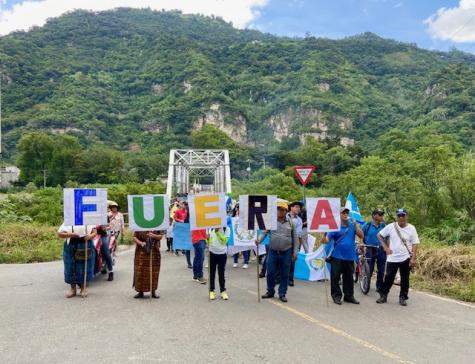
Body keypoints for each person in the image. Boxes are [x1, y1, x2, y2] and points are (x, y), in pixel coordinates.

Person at [376, 208, 419, 306]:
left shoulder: (412, 228)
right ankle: (383, 295)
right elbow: (379, 235)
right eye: (399, 216)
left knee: (405, 279)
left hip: (406, 257)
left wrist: (413, 258)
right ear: (397, 217)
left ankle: (403, 297)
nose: (401, 218)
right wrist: (386, 247)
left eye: (403, 215)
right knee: (388, 277)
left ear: (406, 216)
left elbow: (415, 243)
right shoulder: (391, 226)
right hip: (392, 257)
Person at [258, 199, 299, 303]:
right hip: (273, 252)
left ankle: (282, 293)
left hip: (286, 252)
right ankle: (270, 291)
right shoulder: (271, 221)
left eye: (282, 209)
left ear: (286, 211)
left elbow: (295, 238)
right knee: (270, 272)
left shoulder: (291, 222)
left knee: (285, 274)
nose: (280, 211)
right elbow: (264, 233)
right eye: (278, 209)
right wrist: (258, 240)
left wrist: (295, 252)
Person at [323, 207, 364, 305]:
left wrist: (356, 225)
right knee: (335, 278)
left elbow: (361, 235)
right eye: (343, 213)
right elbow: (328, 239)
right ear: (339, 215)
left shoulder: (352, 225)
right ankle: (336, 296)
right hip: (337, 256)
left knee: (349, 278)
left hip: (350, 257)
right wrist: (324, 238)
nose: (346, 215)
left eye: (347, 213)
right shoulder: (335, 226)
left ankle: (349, 296)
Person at [57, 224, 97, 298]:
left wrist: (90, 236)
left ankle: (83, 288)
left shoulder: (86, 218)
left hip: (85, 243)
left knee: (83, 266)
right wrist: (71, 234)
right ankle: (73, 289)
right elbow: (59, 233)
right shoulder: (68, 220)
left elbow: (95, 232)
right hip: (70, 245)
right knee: (70, 267)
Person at [361, 208, 386, 293]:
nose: (381, 216)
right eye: (379, 214)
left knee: (381, 270)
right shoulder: (367, 225)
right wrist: (361, 245)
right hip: (369, 249)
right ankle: (366, 284)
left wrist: (388, 248)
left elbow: (387, 237)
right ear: (374, 215)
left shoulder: (383, 226)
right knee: (369, 268)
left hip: (381, 250)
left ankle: (379, 287)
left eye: (382, 214)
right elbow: (361, 235)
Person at [133, 230, 163, 299]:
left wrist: (153, 236)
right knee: (140, 271)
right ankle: (140, 292)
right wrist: (141, 243)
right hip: (141, 252)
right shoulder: (139, 224)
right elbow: (134, 237)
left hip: (154, 251)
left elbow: (160, 236)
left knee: (154, 271)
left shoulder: (157, 224)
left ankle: (153, 291)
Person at [208, 228, 229, 300]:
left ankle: (223, 291)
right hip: (212, 253)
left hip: (222, 254)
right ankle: (211, 291)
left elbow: (224, 242)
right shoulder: (210, 228)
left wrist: (217, 232)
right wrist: (207, 239)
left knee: (221, 273)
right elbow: (209, 242)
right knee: (212, 273)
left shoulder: (226, 229)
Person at [287, 201, 304, 287]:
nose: (298, 209)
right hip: (284, 241)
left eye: (299, 207)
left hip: (293, 241)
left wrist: (299, 245)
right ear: (291, 208)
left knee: (292, 260)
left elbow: (298, 234)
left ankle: (290, 279)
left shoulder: (299, 220)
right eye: (296, 207)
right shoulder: (285, 216)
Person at [231, 204, 251, 269]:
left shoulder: (245, 216)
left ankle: (246, 262)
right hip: (236, 235)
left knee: (244, 249)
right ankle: (235, 262)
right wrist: (236, 216)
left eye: (239, 208)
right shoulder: (234, 216)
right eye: (237, 208)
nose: (238, 209)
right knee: (236, 248)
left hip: (243, 235)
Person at [174, 201, 192, 267]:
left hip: (189, 229)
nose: (185, 206)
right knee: (186, 245)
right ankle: (189, 263)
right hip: (182, 228)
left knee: (188, 247)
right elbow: (175, 218)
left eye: (186, 205)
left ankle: (189, 262)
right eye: (184, 204)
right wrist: (181, 220)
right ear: (181, 205)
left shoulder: (189, 211)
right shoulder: (178, 211)